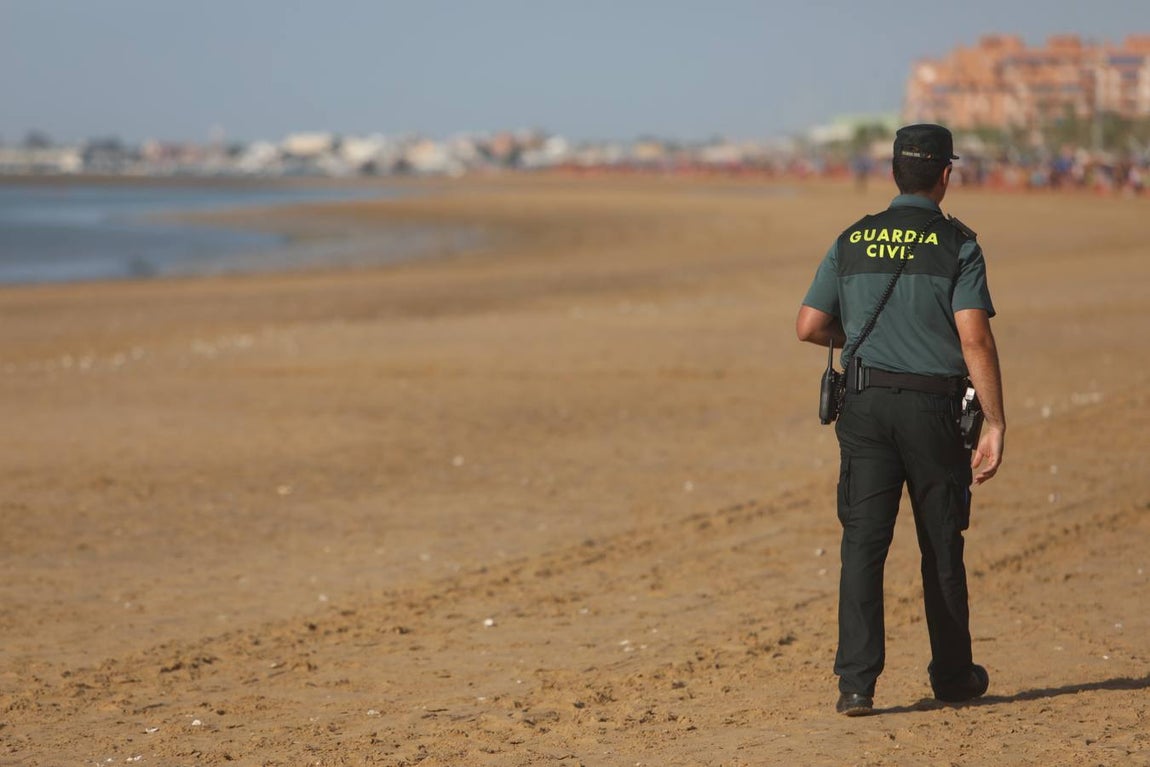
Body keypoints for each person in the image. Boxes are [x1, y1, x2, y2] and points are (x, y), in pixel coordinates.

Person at [795, 124, 1006, 716]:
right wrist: (994, 422)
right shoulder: (959, 245)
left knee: (863, 544)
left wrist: (866, 341)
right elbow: (975, 338)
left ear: (893, 172)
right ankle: (953, 677)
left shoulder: (852, 238)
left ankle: (856, 685)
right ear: (945, 175)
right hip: (933, 409)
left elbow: (809, 326)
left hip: (864, 407)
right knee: (940, 542)